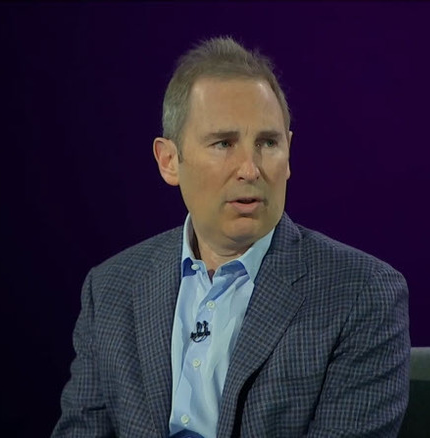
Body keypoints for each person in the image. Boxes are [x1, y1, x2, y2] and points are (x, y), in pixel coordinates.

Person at [52, 36, 410, 438]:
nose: (250, 169)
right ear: (169, 161)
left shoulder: (359, 293)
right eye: (224, 143)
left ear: (289, 154)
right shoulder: (111, 289)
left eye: (268, 143)